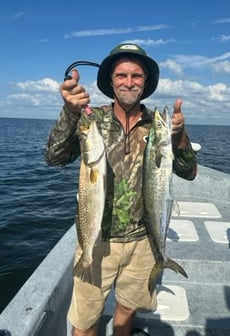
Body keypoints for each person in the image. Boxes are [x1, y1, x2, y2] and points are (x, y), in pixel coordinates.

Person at [45, 43, 197, 336]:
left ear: (146, 82)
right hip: (98, 239)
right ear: (111, 81)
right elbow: (54, 157)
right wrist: (69, 112)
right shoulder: (92, 120)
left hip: (144, 242)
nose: (129, 82)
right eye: (121, 75)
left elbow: (188, 173)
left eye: (137, 76)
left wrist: (179, 138)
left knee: (127, 310)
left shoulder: (158, 125)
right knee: (85, 322)